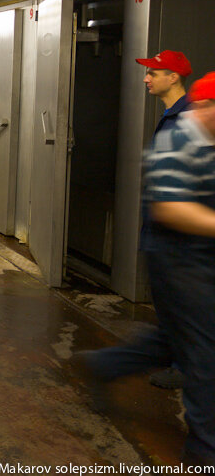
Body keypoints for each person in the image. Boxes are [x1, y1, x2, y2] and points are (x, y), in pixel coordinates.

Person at [75, 72, 215, 466]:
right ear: (205, 106)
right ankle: (205, 450)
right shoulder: (177, 139)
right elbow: (170, 207)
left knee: (176, 339)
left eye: (152, 72)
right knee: (205, 351)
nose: (146, 78)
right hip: (178, 259)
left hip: (204, 256)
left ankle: (103, 364)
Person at [135, 50, 192, 390]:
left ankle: (184, 367)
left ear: (174, 77)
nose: (147, 78)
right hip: (162, 228)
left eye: (154, 73)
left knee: (178, 303)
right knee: (168, 301)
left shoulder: (186, 118)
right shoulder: (172, 115)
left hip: (175, 234)